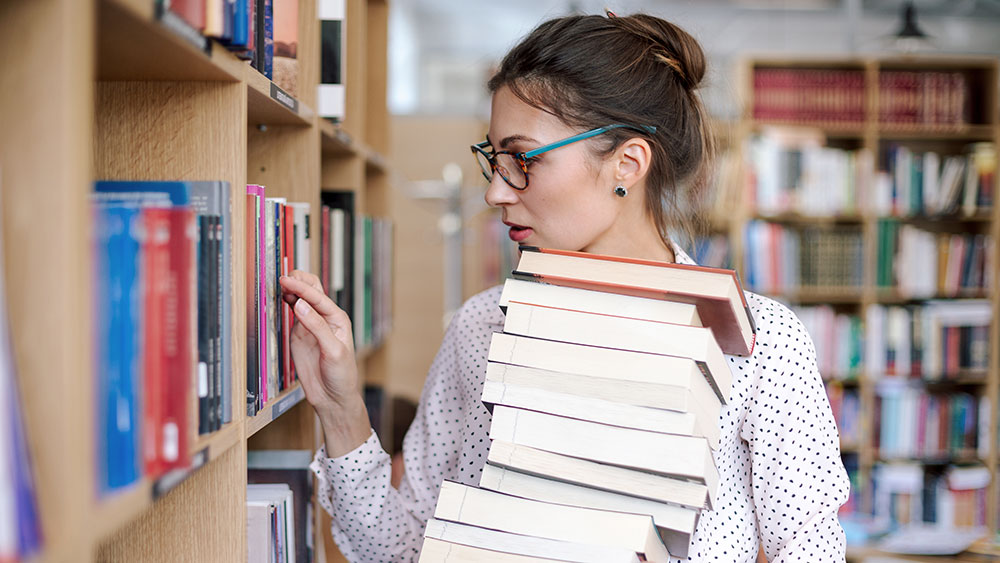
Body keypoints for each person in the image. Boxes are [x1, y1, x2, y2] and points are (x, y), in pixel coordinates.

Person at [278, 11, 850, 562]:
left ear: (627, 163)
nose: (496, 192)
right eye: (494, 160)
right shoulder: (483, 325)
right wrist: (341, 409)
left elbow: (810, 550)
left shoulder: (759, 342)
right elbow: (403, 551)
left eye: (523, 159)